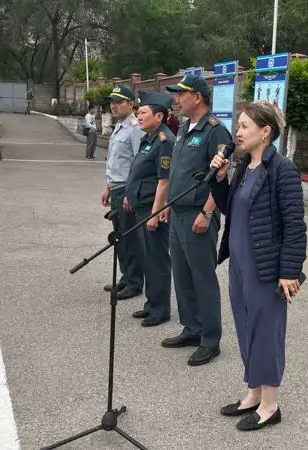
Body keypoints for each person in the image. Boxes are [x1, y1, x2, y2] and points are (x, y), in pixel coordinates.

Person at [208, 100, 307, 431]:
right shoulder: (243, 166)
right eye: (238, 125)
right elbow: (232, 209)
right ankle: (253, 393)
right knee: (245, 326)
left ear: (265, 132)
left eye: (244, 126)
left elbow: (295, 226)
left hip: (265, 267)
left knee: (266, 332)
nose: (237, 132)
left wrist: (289, 271)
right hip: (239, 264)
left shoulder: (282, 170)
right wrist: (219, 179)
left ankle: (270, 404)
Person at [160, 73, 233, 366]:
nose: (176, 99)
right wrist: (168, 204)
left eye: (181, 94)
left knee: (202, 278)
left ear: (197, 97)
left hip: (198, 214)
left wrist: (207, 212)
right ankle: (192, 328)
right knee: (182, 275)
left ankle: (210, 339)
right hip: (178, 212)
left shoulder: (215, 131)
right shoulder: (183, 128)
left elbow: (220, 175)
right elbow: (178, 172)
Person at [125, 90, 175, 327]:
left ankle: (160, 309)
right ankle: (151, 302)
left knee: (157, 259)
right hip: (142, 207)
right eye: (138, 112)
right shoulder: (149, 138)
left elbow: (164, 181)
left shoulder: (165, 141)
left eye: (143, 112)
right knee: (148, 257)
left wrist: (155, 213)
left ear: (159, 116)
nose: (139, 116)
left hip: (151, 210)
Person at [101, 85, 145, 300]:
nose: (114, 106)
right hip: (116, 188)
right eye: (112, 102)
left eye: (119, 102)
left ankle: (134, 282)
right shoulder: (119, 126)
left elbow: (139, 162)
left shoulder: (135, 128)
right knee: (120, 237)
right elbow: (115, 161)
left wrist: (130, 192)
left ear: (131, 103)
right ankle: (126, 277)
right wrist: (108, 187)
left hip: (127, 190)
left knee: (130, 239)